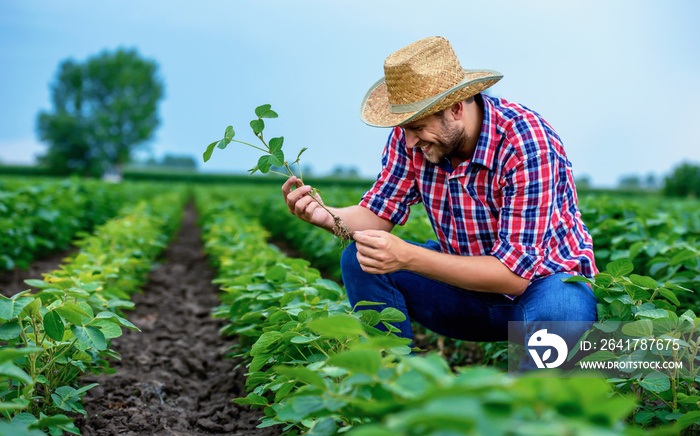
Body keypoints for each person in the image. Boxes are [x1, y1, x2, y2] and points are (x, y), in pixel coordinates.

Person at [281, 36, 598, 370]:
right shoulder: (414, 140)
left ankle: (529, 409)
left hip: (544, 288)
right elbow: (377, 214)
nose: (409, 140)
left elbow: (514, 276)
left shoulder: (526, 142)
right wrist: (325, 215)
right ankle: (391, 380)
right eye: (404, 128)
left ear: (456, 108)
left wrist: (408, 257)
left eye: (417, 127)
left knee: (559, 322)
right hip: (468, 294)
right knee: (361, 258)